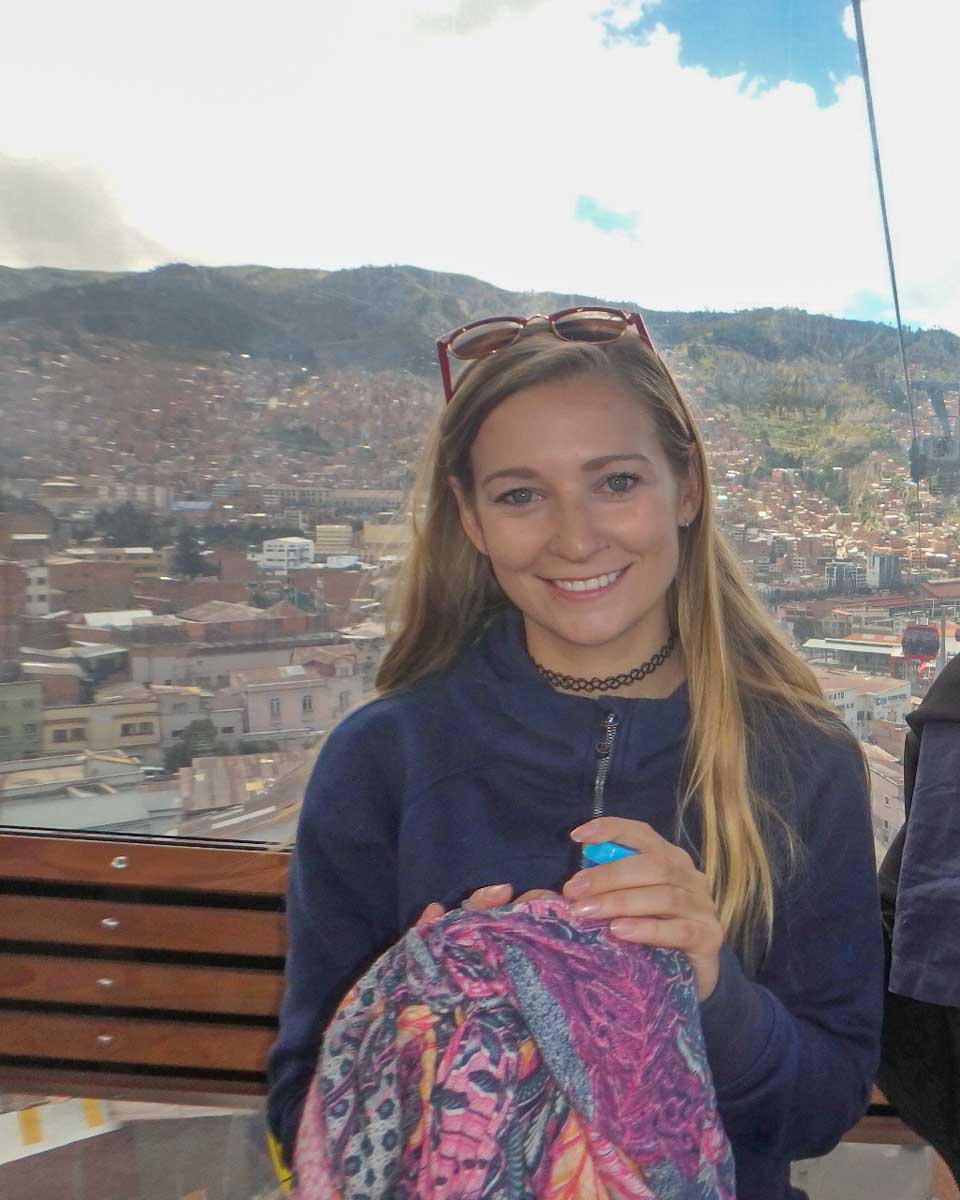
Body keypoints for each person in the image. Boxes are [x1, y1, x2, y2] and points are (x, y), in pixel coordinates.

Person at [267, 308, 884, 1200]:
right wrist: (418, 1009)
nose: (576, 537)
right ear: (471, 520)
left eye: (616, 482)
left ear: (686, 489)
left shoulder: (802, 762)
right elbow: (308, 1107)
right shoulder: (382, 762)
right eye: (521, 495)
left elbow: (820, 1109)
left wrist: (712, 992)